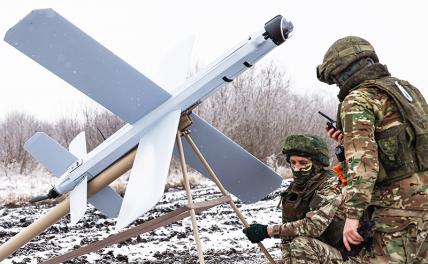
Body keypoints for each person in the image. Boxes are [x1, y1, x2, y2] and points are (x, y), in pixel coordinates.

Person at [317, 36, 428, 263]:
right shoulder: (406, 90)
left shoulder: (356, 99)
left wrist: (352, 217)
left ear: (341, 72)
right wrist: (347, 142)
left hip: (397, 214)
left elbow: (363, 166)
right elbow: (405, 146)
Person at [242, 134, 366, 263]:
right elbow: (288, 236)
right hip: (318, 253)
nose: (297, 167)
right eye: (293, 162)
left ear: (317, 164)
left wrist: (267, 231)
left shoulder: (331, 185)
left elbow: (314, 226)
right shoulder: (293, 191)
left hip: (347, 257)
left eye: (303, 163)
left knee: (301, 245)